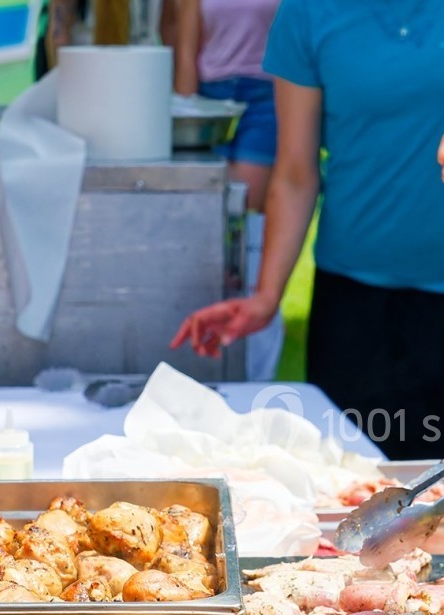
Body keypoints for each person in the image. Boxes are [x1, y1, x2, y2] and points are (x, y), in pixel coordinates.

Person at [173, 0, 444, 480]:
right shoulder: (306, 12)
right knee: (356, 498)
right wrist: (266, 296)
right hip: (356, 302)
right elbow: (296, 173)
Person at [163, 0, 284, 381]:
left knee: (242, 219)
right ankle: (198, 338)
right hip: (210, 95)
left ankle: (247, 355)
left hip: (266, 94)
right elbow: (186, 43)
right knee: (205, 218)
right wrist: (186, 113)